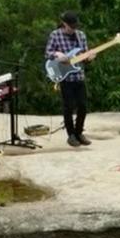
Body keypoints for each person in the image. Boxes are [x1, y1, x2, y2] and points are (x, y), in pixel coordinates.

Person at [44, 11, 93, 147]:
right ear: (64, 24)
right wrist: (57, 54)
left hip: (78, 75)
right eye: (71, 26)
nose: (73, 29)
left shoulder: (81, 35)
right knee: (68, 106)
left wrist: (89, 58)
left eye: (75, 26)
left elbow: (84, 56)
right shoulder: (55, 35)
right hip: (64, 76)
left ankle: (79, 132)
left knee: (83, 105)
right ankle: (70, 134)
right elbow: (47, 53)